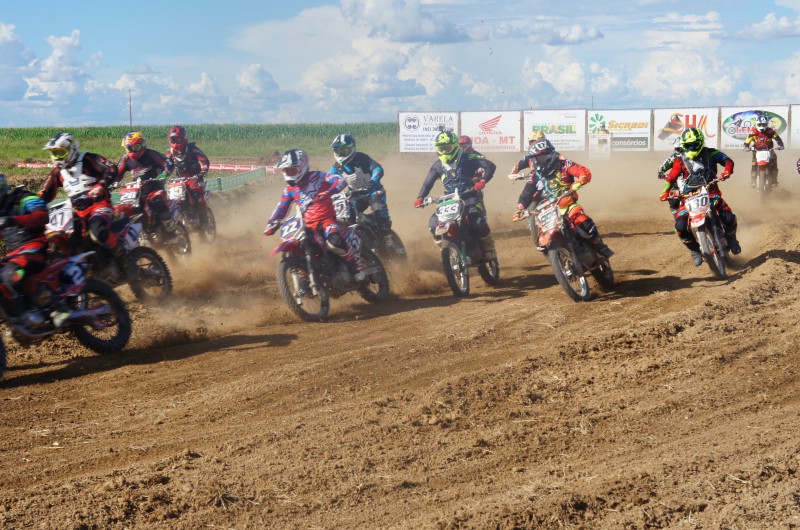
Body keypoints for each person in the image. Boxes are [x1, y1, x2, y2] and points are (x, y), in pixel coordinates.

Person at [264, 149, 365, 281]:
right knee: (300, 247)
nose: (289, 174)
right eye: (286, 171)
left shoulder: (318, 176)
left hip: (326, 220)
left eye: (292, 170)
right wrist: (271, 223)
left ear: (302, 167)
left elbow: (340, 180)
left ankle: (355, 265)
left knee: (334, 241)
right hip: (308, 225)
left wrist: (329, 191)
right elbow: (281, 207)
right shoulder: (289, 190)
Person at [510, 134, 614, 259]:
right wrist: (519, 209)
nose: (538, 161)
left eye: (541, 157)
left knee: (582, 221)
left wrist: (580, 181)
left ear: (549, 155)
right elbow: (526, 193)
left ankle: (600, 245)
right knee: (542, 238)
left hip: (566, 204)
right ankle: (557, 257)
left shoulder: (563, 164)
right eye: (536, 159)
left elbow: (582, 171)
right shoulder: (536, 175)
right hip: (547, 210)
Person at [413, 130, 498, 261]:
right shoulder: (437, 165)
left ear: (454, 146)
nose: (444, 151)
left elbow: (490, 166)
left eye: (447, 148)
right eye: (441, 148)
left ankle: (489, 249)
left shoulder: (468, 157)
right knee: (433, 224)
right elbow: (427, 183)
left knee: (477, 222)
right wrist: (420, 197)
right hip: (449, 199)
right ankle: (447, 251)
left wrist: (483, 180)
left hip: (470, 195)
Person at [661, 127, 739, 266]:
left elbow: (727, 160)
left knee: (728, 217)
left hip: (711, 192)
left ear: (700, 142)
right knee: (680, 226)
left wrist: (727, 171)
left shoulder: (711, 153)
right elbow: (671, 177)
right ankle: (694, 250)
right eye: (687, 145)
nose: (690, 148)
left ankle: (732, 239)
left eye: (693, 145)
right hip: (688, 196)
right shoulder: (680, 160)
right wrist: (665, 191)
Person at [41, 132, 122, 258]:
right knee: (64, 238)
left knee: (96, 231)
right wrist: (31, 204)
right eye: (54, 154)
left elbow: (111, 168)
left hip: (100, 206)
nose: (57, 158)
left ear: (71, 149)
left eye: (60, 153)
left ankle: (122, 254)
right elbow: (45, 193)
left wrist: (100, 185)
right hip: (78, 212)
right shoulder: (57, 173)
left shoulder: (87, 159)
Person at [0, 174, 53, 326]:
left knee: (11, 274)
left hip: (35, 246)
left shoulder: (23, 197)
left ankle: (54, 306)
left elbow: (42, 216)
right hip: (15, 254)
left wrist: (13, 220)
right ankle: (16, 314)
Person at [327, 134, 394, 250]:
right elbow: (328, 180)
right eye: (338, 151)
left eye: (344, 151)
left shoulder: (362, 158)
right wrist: (324, 192)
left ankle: (387, 236)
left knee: (377, 205)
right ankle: (358, 238)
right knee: (347, 214)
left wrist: (372, 182)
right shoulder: (336, 167)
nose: (341, 154)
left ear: (352, 149)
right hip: (355, 195)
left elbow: (378, 169)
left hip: (373, 191)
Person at [116, 131, 179, 243]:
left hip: (154, 189)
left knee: (158, 202)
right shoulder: (125, 158)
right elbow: (117, 172)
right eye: (129, 148)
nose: (132, 150)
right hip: (137, 192)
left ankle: (171, 233)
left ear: (143, 145)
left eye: (136, 147)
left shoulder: (151, 154)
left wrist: (165, 173)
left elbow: (168, 163)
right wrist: (110, 181)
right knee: (127, 209)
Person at [164, 125, 211, 228]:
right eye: (173, 139)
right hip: (180, 179)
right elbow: (167, 165)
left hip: (195, 177)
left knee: (198, 195)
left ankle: (204, 220)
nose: (176, 142)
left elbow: (204, 160)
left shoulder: (192, 149)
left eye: (178, 139)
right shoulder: (169, 153)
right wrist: (165, 173)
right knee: (172, 198)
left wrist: (203, 172)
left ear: (184, 139)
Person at [743, 115, 784, 187]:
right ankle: (753, 181)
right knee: (754, 164)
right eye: (760, 124)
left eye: (764, 124)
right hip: (756, 150)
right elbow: (747, 141)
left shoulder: (771, 131)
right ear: (757, 124)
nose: (762, 126)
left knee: (774, 161)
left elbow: (778, 139)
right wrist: (746, 147)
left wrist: (780, 145)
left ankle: (774, 180)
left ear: (767, 124)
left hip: (769, 149)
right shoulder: (753, 132)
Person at [656, 138, 684, 216]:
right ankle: (676, 216)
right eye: (678, 149)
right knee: (673, 201)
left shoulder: (695, 157)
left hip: (692, 182)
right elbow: (662, 167)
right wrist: (661, 173)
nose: (680, 151)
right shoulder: (673, 157)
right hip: (676, 184)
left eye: (681, 149)